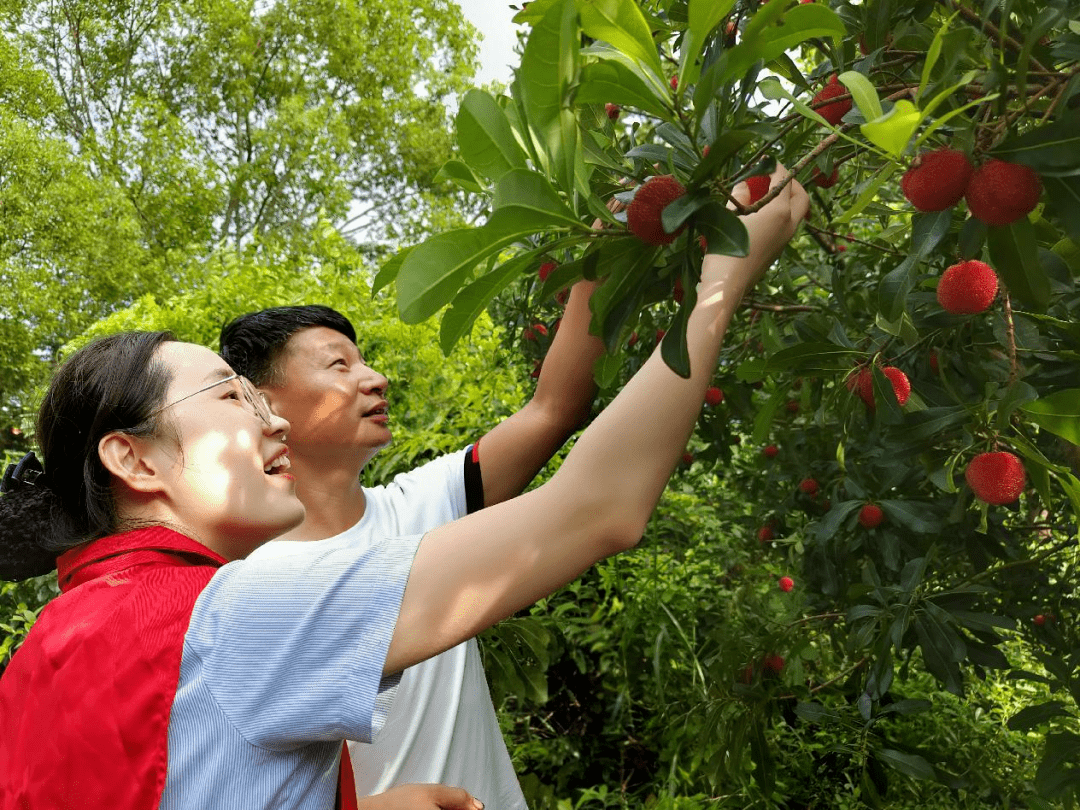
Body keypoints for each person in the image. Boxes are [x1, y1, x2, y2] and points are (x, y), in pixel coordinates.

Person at [0, 165, 807, 810]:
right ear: (134, 460)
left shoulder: (52, 647)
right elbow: (598, 507)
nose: (270, 424)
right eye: (230, 397)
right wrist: (723, 279)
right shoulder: (237, 613)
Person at [218, 278, 606, 805]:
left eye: (364, 362)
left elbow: (554, 408)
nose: (375, 379)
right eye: (338, 365)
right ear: (262, 405)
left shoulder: (428, 504)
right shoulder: (237, 585)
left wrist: (597, 266)